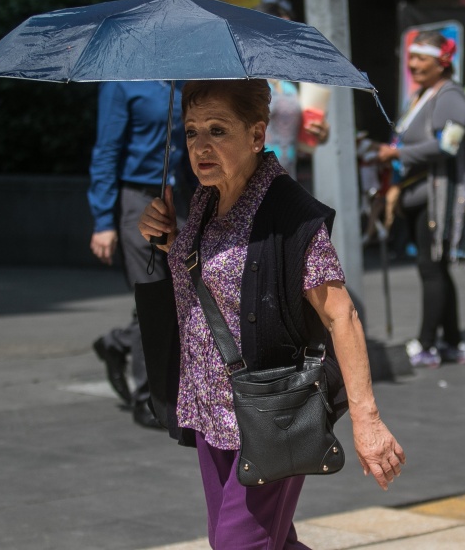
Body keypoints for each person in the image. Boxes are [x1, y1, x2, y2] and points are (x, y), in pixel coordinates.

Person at [137, 79, 404, 549]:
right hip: (209, 408)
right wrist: (170, 240)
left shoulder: (290, 212)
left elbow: (342, 315)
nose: (201, 146)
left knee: (236, 545)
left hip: (268, 413)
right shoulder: (206, 198)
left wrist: (368, 421)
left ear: (257, 134)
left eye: (218, 131)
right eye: (192, 130)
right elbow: (215, 282)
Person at [88, 80, 189, 428]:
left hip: (181, 199)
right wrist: (103, 221)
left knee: (183, 296)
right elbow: (106, 150)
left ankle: (116, 343)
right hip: (138, 200)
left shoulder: (185, 82)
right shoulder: (123, 83)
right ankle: (149, 399)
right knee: (153, 299)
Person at [375, 30, 465, 368]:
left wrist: (398, 152)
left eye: (421, 59)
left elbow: (448, 145)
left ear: (442, 63)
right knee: (436, 268)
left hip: (440, 197)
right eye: (412, 58)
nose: (414, 65)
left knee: (431, 268)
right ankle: (453, 342)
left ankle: (427, 344)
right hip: (421, 195)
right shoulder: (422, 95)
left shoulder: (451, 97)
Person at [254, 2, 330, 180]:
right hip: (253, 183)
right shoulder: (246, 81)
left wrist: (320, 132)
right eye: (279, 31)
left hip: (288, 180)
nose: (286, 39)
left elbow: (299, 134)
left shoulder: (289, 84)